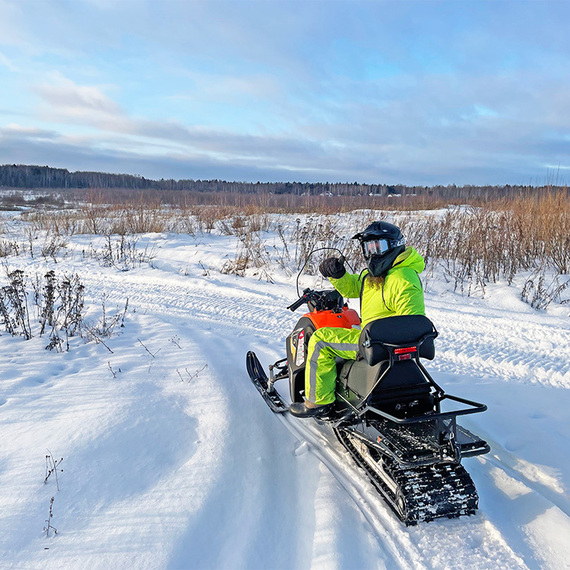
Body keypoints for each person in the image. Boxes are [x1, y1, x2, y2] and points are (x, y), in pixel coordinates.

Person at [289, 221, 426, 417]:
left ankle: (317, 402)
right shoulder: (378, 275)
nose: (373, 253)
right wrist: (338, 275)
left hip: (381, 343)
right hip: (375, 336)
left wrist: (377, 338)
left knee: (320, 340)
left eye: (379, 246)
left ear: (395, 246)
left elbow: (410, 323)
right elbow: (353, 287)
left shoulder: (402, 278)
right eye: (369, 247)